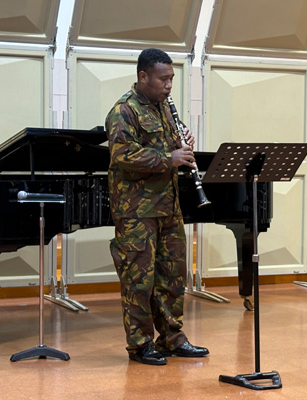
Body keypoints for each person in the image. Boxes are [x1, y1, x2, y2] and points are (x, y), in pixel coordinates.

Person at [106, 48, 209, 365]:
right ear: (143, 76)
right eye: (163, 79)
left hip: (168, 206)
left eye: (171, 79)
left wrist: (181, 144)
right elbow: (123, 156)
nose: (168, 85)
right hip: (137, 211)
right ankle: (140, 345)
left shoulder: (164, 108)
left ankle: (172, 338)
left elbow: (170, 148)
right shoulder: (124, 111)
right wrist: (170, 157)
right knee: (139, 281)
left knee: (172, 277)